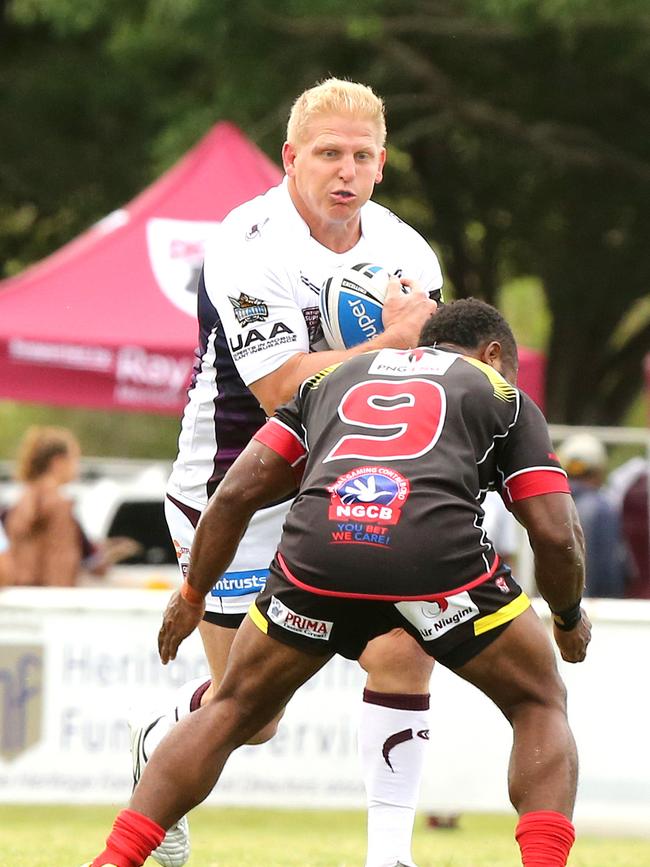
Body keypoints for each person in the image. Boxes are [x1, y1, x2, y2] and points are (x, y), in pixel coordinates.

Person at [82, 299, 591, 867]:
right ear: (493, 354)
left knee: (232, 708)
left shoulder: (332, 377)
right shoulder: (501, 395)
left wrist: (192, 594)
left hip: (318, 558)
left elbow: (234, 495)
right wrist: (568, 617)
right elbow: (556, 533)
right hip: (433, 564)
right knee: (537, 701)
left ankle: (115, 860)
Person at [131, 78, 441, 867]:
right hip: (237, 488)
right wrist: (389, 344)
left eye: (362, 155)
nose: (345, 170)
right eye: (328, 153)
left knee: (404, 646)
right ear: (290, 158)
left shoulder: (407, 252)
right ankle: (160, 746)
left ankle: (390, 856)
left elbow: (421, 377)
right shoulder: (248, 240)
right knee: (253, 712)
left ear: (382, 163)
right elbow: (280, 390)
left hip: (343, 481)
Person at [3, 426, 140, 586]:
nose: (77, 467)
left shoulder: (15, 505)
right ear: (58, 462)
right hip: (52, 599)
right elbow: (77, 561)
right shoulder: (60, 507)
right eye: (75, 459)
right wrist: (115, 552)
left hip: (16, 596)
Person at [557, 433, 629, 598]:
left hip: (554, 606)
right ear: (598, 471)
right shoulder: (604, 508)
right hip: (596, 608)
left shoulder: (549, 506)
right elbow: (610, 569)